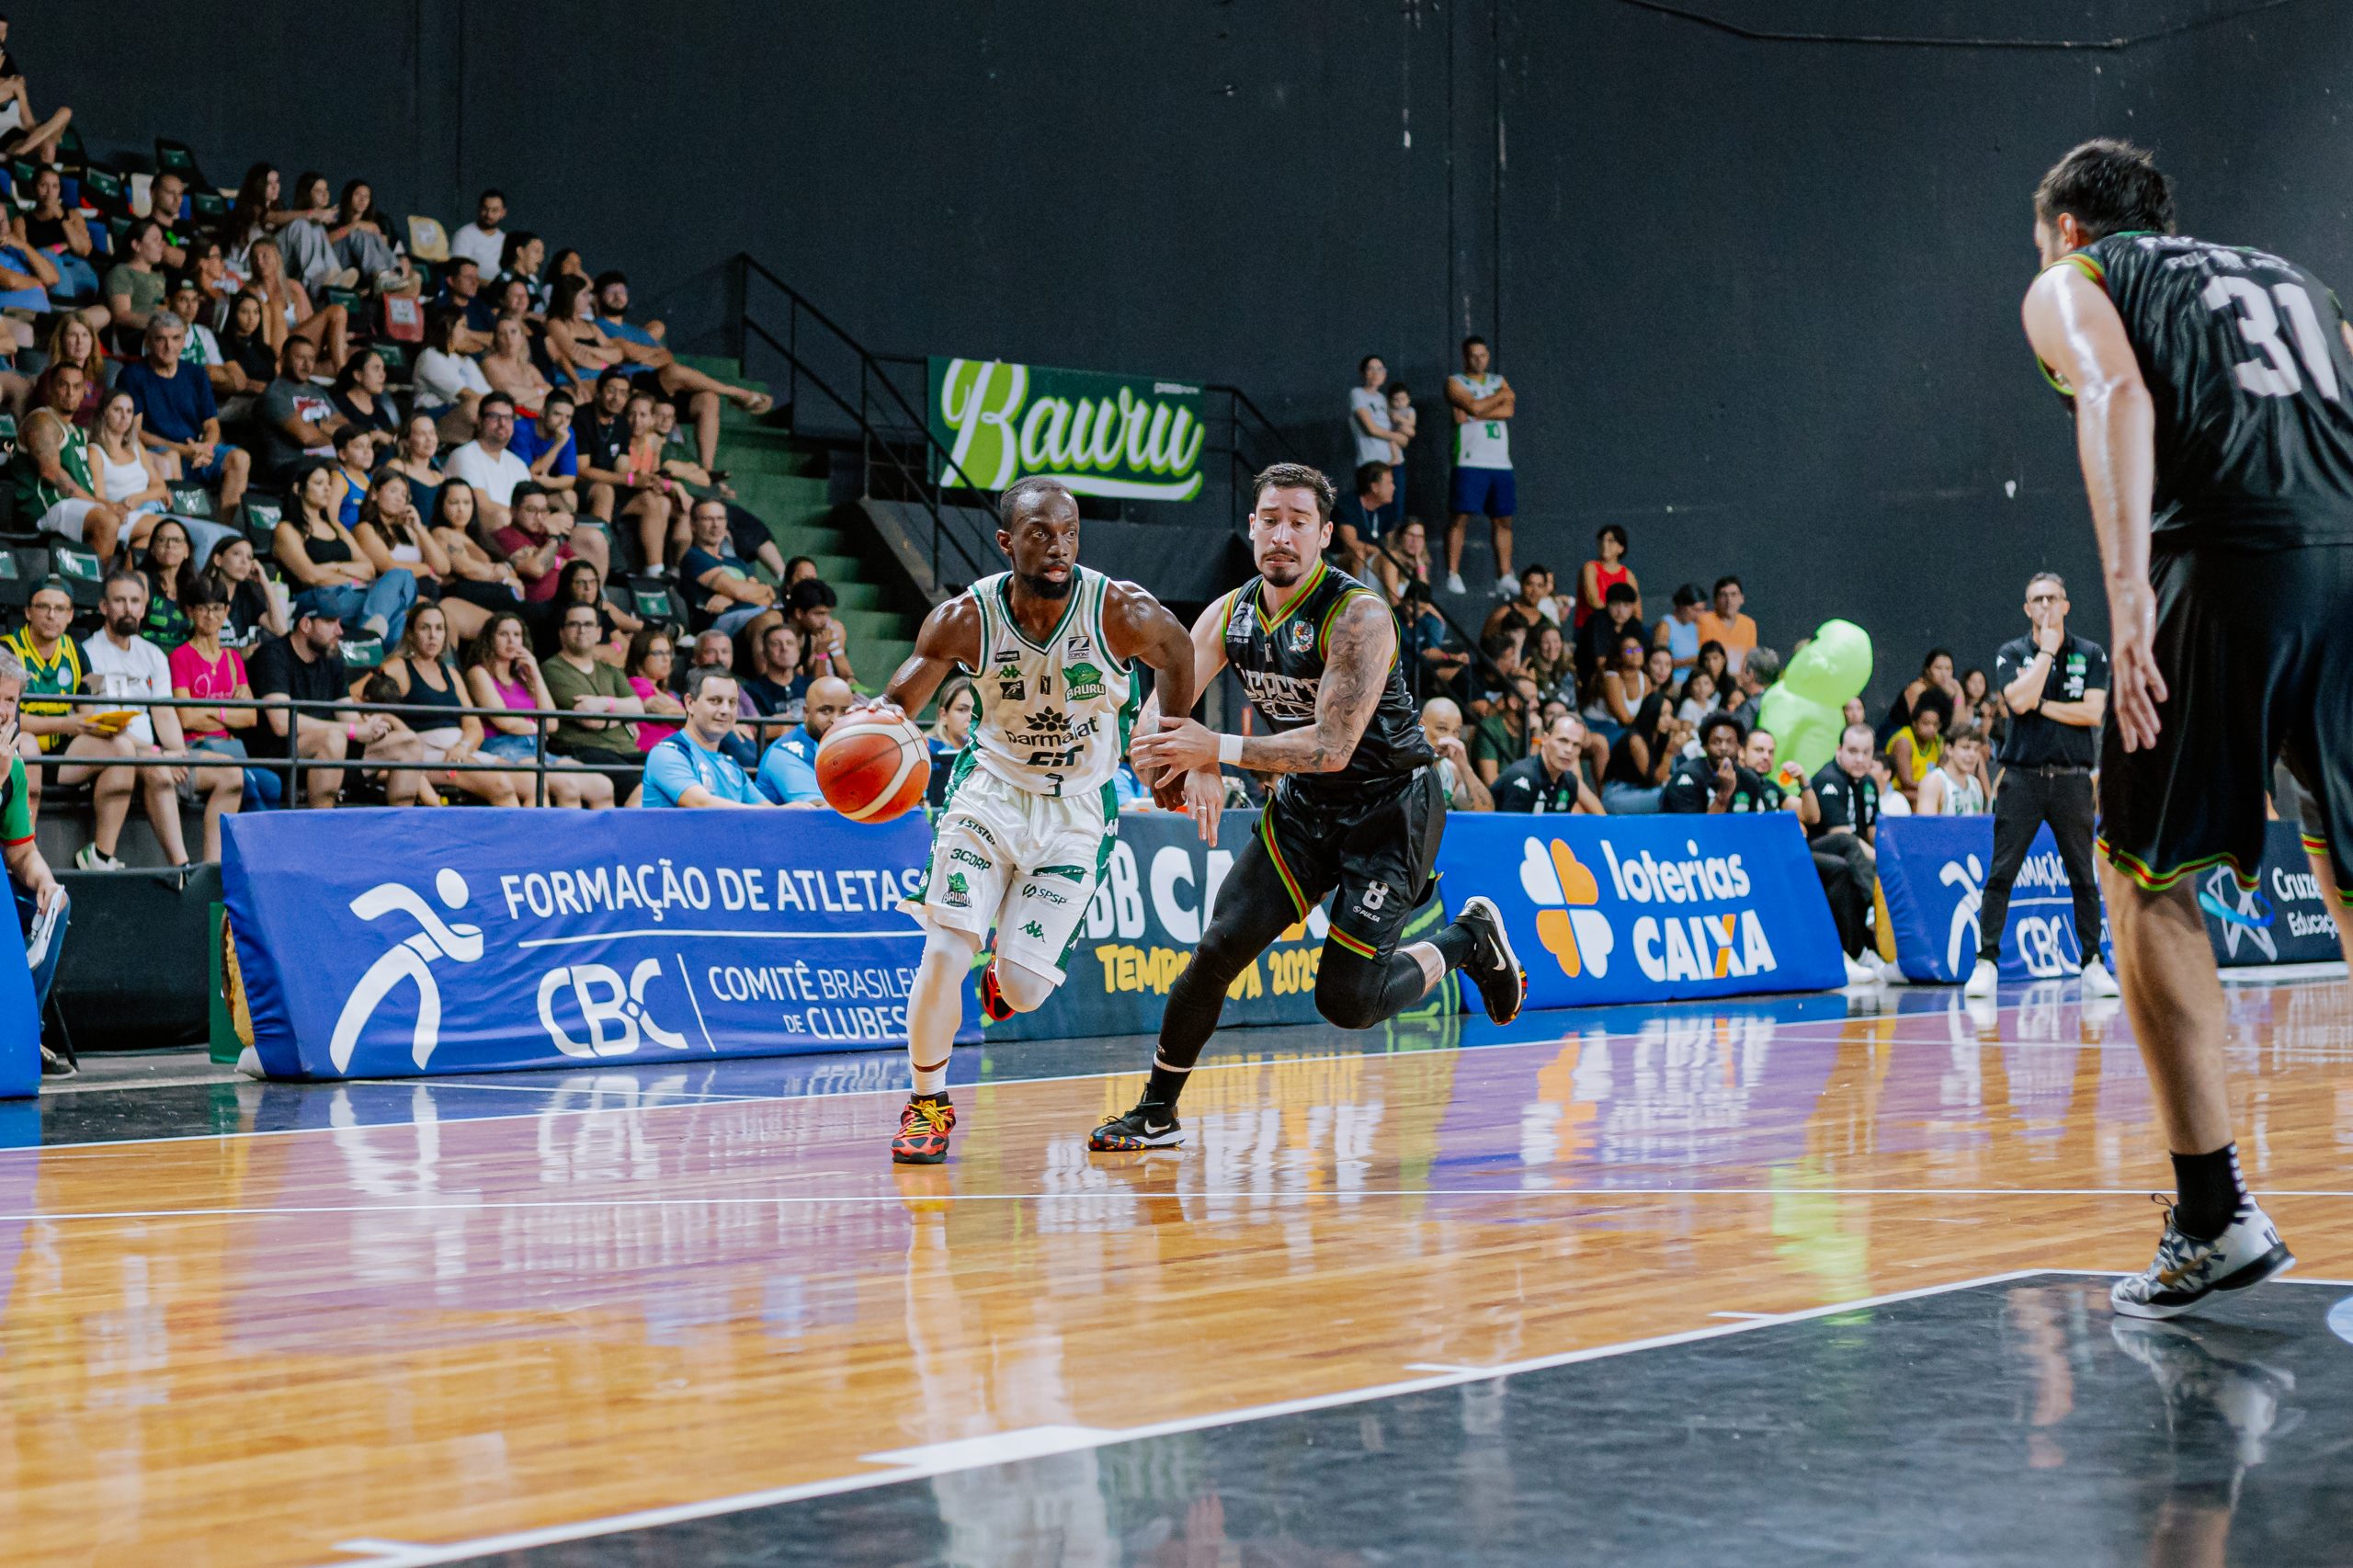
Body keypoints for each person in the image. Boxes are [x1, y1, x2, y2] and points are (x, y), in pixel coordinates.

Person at [2015, 140, 2353, 1313]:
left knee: (2141, 874)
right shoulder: (2294, 279)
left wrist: (2126, 597)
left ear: (2067, 228)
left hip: (2224, 561)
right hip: (2348, 558)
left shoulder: (2076, 278)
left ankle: (2214, 1216)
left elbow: (2113, 392)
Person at [1104, 462, 1527, 1154]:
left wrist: (1216, 747)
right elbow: (1155, 719)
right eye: (1270, 520)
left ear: (1325, 534)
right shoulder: (1230, 613)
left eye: (1299, 523)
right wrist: (1192, 761)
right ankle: (1156, 1112)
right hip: (1305, 806)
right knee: (1217, 948)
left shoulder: (1358, 615)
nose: (1282, 535)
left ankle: (1467, 940)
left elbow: (1332, 746)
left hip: (1391, 806)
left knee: (1348, 1002)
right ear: (1251, 528)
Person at [868, 475, 1199, 1165]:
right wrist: (873, 721)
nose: (1059, 547)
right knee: (944, 949)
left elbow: (1178, 652)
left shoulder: (1119, 611)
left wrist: (1171, 749)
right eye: (1040, 533)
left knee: (1023, 989)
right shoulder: (966, 618)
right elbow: (900, 700)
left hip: (1078, 809)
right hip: (989, 793)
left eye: (1070, 533)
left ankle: (1005, 974)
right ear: (1006, 541)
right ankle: (927, 1102)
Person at [1959, 571, 2114, 1001]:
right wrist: (2045, 652)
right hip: (2022, 778)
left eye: (2052, 598)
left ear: (2066, 605)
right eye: (2037, 599)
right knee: (2001, 873)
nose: (2045, 605)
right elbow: (2017, 701)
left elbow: (2092, 713)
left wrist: (2041, 703)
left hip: (2072, 780)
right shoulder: (2012, 652)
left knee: (2082, 876)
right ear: (2027, 609)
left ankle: (2092, 962)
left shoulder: (2091, 653)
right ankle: (1986, 962)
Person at [74, 570, 236, 868]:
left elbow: (164, 713)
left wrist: (177, 753)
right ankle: (181, 867)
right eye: (119, 601)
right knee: (159, 770)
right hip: (117, 750)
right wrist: (158, 754)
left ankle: (213, 869)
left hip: (155, 753)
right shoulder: (87, 654)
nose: (128, 608)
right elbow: (102, 724)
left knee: (231, 774)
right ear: (103, 607)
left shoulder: (152, 655)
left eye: (135, 601)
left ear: (144, 608)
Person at [246, 589, 421, 807]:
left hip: (334, 752)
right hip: (281, 755)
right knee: (333, 739)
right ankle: (322, 822)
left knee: (408, 743)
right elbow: (281, 723)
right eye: (330, 622)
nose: (339, 630)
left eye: (339, 622)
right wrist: (351, 730)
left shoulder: (331, 658)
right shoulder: (273, 655)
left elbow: (347, 715)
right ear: (305, 624)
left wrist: (369, 727)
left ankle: (401, 824)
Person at [463, 609, 613, 808]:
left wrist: (535, 673)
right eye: (503, 634)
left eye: (517, 635)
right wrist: (537, 727)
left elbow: (551, 723)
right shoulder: (479, 672)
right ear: (490, 639)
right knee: (568, 787)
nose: (511, 641)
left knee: (602, 786)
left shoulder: (523, 676)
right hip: (503, 748)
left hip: (536, 748)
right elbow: (504, 721)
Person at [376, 603, 518, 807]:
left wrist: (463, 746)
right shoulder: (398, 667)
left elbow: (473, 725)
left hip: (460, 750)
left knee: (529, 781)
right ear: (410, 634)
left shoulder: (451, 673)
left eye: (439, 628)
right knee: (501, 784)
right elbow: (359, 696)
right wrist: (396, 729)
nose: (433, 635)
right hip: (426, 753)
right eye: (425, 628)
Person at [0, 649, 68, 1064]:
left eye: (10, 700)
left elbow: (21, 851)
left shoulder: (15, 768)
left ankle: (23, 1030)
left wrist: (44, 880)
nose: (2, 711)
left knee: (55, 904)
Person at [116, 312, 252, 517]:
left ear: (183, 342)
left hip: (195, 451)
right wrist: (181, 449)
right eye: (160, 339)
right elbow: (135, 432)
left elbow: (211, 425)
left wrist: (207, 449)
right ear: (148, 342)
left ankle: (224, 531)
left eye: (175, 338)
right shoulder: (133, 375)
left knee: (239, 458)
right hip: (157, 452)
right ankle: (179, 526)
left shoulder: (196, 373)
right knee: (171, 457)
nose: (169, 346)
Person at [273, 461, 416, 646]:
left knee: (402, 575)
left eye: (329, 484)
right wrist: (351, 577)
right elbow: (310, 576)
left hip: (355, 592)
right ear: (297, 488)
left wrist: (335, 566)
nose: (327, 489)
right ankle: (370, 640)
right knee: (396, 610)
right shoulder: (287, 529)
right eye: (319, 483)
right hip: (319, 598)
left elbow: (369, 569)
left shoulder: (336, 526)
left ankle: (368, 636)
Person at [165, 575, 258, 856]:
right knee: (254, 784)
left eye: (217, 608)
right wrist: (228, 710)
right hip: (196, 746)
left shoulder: (233, 659)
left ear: (227, 611)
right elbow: (187, 719)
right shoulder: (180, 656)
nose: (210, 615)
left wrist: (210, 711)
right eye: (203, 608)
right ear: (190, 611)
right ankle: (223, 861)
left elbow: (251, 718)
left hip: (229, 747)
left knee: (272, 783)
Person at [11, 360, 131, 562]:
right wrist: (102, 506)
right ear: (50, 389)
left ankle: (127, 580)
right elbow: (51, 473)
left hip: (75, 504)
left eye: (76, 387)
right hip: (47, 507)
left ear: (84, 392)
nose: (70, 393)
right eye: (63, 385)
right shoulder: (42, 421)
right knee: (107, 522)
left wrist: (111, 504)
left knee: (150, 526)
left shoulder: (78, 432)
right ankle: (97, 583)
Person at [1801, 721, 1885, 985]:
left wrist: (1891, 856)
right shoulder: (1829, 779)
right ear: (1839, 750)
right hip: (1820, 847)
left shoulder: (1868, 782)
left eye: (1866, 752)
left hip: (1855, 855)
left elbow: (1872, 830)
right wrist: (1879, 859)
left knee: (1880, 865)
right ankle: (1871, 911)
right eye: (1853, 751)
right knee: (1848, 847)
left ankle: (1878, 949)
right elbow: (1842, 834)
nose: (1860, 759)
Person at [540, 600, 648, 785]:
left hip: (629, 751)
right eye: (574, 624)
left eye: (588, 624)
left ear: (599, 633)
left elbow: (638, 709)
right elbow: (592, 721)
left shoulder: (610, 670)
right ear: (561, 632)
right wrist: (623, 716)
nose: (582, 630)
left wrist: (604, 704)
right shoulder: (552, 669)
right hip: (585, 750)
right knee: (643, 787)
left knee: (679, 778)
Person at [1443, 336, 1517, 597]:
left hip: (1500, 461)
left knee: (1503, 519)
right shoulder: (1455, 382)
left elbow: (1508, 410)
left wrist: (1476, 412)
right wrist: (1496, 399)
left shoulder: (1498, 381)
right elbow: (1474, 404)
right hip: (1469, 458)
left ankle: (1504, 575)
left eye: (1483, 355)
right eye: (1473, 355)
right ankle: (1453, 573)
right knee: (1460, 516)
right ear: (1465, 356)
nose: (1479, 360)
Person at [642, 665, 767, 807]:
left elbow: (769, 811)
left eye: (732, 702)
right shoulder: (667, 753)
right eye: (715, 700)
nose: (725, 710)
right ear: (690, 703)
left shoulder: (731, 765)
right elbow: (702, 805)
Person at [253, 335, 345, 484]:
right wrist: (346, 445)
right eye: (300, 358)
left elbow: (346, 427)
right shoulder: (275, 394)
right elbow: (309, 438)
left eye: (311, 359)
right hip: (289, 466)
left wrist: (317, 425)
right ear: (283, 359)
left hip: (323, 458)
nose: (307, 365)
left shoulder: (318, 391)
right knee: (341, 468)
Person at [680, 496, 773, 635]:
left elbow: (768, 598)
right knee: (769, 621)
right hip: (719, 624)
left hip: (752, 615)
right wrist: (764, 589)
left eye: (720, 518)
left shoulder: (737, 561)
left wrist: (731, 598)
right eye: (708, 519)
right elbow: (739, 591)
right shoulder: (694, 557)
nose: (716, 525)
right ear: (693, 525)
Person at [756, 675, 850, 806]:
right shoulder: (784, 754)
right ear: (806, 713)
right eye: (825, 711)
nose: (836, 720)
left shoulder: (847, 743)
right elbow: (821, 810)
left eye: (845, 712)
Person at [1661, 712, 1773, 814]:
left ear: (1739, 746)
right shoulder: (1687, 777)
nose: (1723, 748)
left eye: (1729, 742)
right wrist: (1723, 795)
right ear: (1704, 746)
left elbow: (1755, 823)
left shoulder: (1749, 780)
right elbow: (1694, 828)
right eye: (1716, 742)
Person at [1490, 713, 1601, 813]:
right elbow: (1511, 828)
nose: (1569, 750)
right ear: (1545, 739)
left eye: (1576, 745)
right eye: (1563, 740)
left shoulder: (1570, 782)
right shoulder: (1522, 777)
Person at [1600, 691, 1682, 814]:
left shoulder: (1660, 736)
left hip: (1642, 791)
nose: (1669, 720)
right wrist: (1669, 752)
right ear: (1651, 714)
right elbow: (1655, 780)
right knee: (1672, 795)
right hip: (1618, 795)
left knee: (1682, 789)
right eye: (1663, 715)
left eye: (1670, 714)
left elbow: (1665, 776)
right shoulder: (1636, 740)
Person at [1347, 355, 1404, 528]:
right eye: (1371, 368)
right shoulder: (1357, 394)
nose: (1375, 373)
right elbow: (1370, 428)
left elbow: (1400, 428)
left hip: (1392, 463)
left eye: (1380, 369)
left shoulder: (1384, 399)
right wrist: (1397, 437)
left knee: (1394, 514)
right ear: (1363, 372)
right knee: (1373, 512)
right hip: (1371, 463)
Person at [1418, 696, 1492, 811]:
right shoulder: (1402, 767)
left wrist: (1465, 768)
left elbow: (1485, 812)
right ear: (1421, 725)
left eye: (1456, 731)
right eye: (1442, 729)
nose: (1450, 739)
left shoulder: (1451, 770)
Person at [623, 629, 688, 753]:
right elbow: (666, 713)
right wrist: (699, 719)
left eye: (669, 653)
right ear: (640, 660)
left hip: (677, 750)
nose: (666, 659)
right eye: (658, 653)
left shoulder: (669, 694)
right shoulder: (636, 684)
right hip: (656, 752)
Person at [1886, 687, 1950, 809]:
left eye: (1935, 725)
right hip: (1898, 793)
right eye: (1926, 723)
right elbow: (1907, 783)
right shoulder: (1904, 741)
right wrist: (1933, 790)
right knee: (1921, 798)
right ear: (1915, 723)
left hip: (1924, 790)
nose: (1931, 729)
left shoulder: (1937, 742)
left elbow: (1941, 775)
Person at [1331, 460, 1392, 577]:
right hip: (1339, 559)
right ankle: (1352, 589)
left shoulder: (1385, 509)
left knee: (1392, 559)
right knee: (1358, 554)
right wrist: (1374, 549)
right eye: (1389, 483)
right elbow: (1351, 543)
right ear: (1374, 487)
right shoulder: (1348, 505)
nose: (1393, 487)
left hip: (1371, 558)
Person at [922, 676, 974, 807]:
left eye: (977, 710)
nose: (971, 718)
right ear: (943, 715)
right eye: (962, 710)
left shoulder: (990, 752)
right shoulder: (923, 748)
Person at [1917, 722, 1989, 816]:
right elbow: (1926, 824)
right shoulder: (1933, 781)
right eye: (1966, 748)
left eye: (1976, 749)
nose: (1972, 754)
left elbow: (1979, 823)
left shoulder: (1975, 784)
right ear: (1949, 749)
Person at [1575, 526, 1640, 630]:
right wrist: (1619, 619)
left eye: (1611, 541)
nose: (1604, 544)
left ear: (1621, 548)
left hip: (1619, 630)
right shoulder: (1590, 568)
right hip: (1589, 630)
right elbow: (1594, 602)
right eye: (1602, 540)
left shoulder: (1628, 575)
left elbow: (1636, 610)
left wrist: (1634, 630)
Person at [1694, 576, 1758, 675]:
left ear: (1742, 599)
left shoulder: (1749, 624)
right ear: (1715, 600)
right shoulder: (1703, 621)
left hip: (1739, 680)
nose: (1729, 600)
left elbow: (1750, 660)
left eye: (1734, 595)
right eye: (1723, 595)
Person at [449, 190, 508, 277]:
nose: (489, 215)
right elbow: (460, 274)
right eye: (485, 209)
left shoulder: (505, 239)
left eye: (494, 210)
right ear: (479, 209)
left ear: (503, 213)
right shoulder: (464, 235)